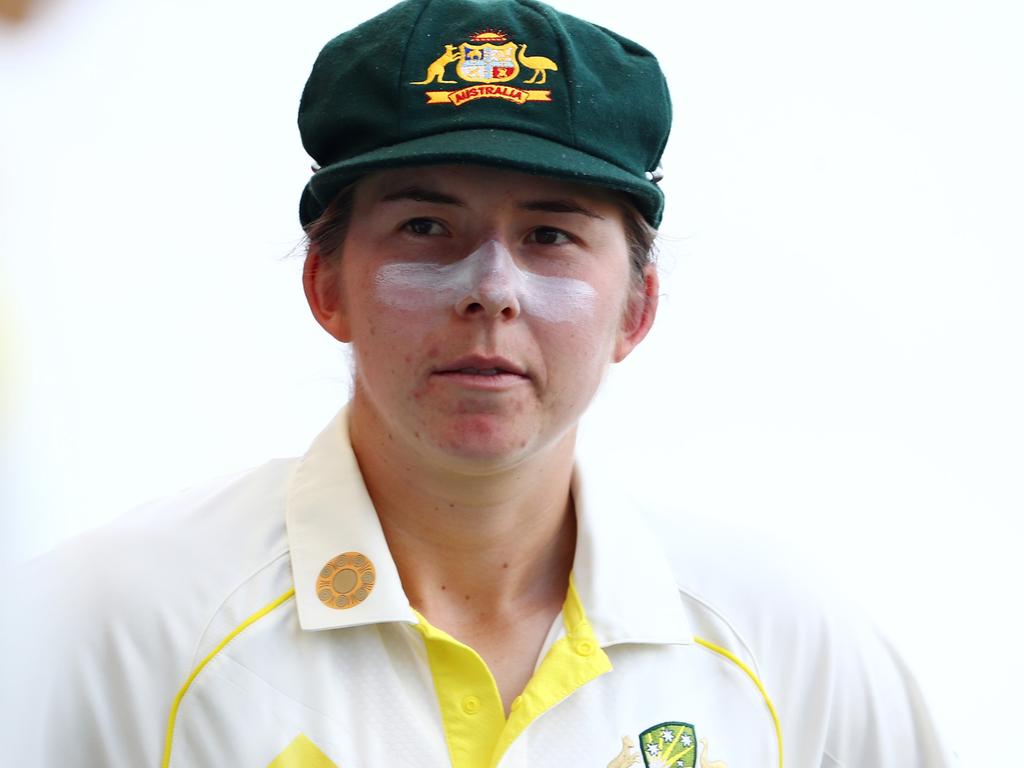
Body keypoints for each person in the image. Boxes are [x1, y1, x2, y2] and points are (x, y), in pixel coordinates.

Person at [3, 0, 958, 766]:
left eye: (551, 235)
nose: (491, 292)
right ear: (324, 283)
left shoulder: (787, 650)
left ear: (638, 307)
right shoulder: (107, 630)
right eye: (427, 228)